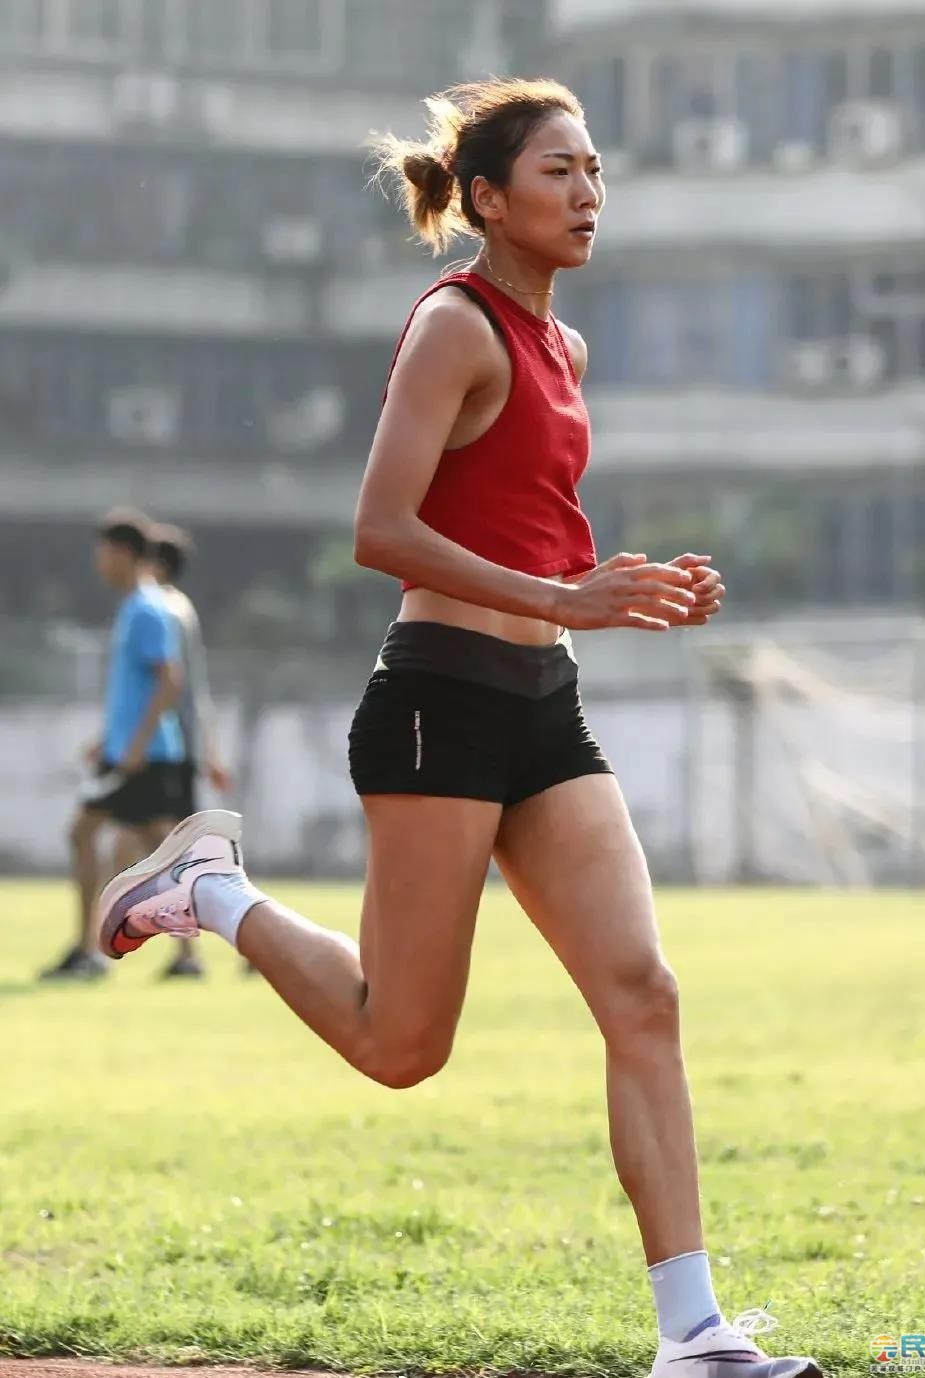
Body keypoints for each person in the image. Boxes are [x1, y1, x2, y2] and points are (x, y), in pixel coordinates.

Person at [93, 79, 822, 1377]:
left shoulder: (567, 351)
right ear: (487, 198)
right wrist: (559, 592)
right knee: (401, 1044)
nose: (588, 192)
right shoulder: (456, 326)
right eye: (559, 171)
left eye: (596, 170)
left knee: (643, 991)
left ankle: (694, 1332)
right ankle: (212, 891)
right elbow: (381, 528)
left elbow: (527, 525)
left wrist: (625, 588)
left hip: (544, 708)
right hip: (437, 703)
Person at [40, 510, 184, 981]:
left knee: (85, 836)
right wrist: (109, 739)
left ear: (123, 553)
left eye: (102, 553)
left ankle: (87, 952)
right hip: (129, 753)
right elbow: (144, 688)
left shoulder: (146, 608)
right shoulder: (136, 607)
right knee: (162, 854)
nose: (98, 563)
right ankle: (187, 953)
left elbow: (169, 681)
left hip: (140, 758)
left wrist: (135, 746)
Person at [150, 523, 233, 979]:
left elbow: (187, 689)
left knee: (177, 854)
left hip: (170, 751)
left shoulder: (166, 610)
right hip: (172, 749)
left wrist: (207, 752)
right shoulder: (172, 609)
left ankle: (238, 938)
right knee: (154, 850)